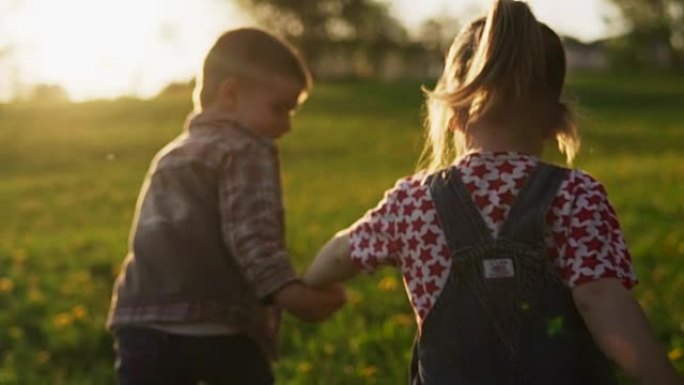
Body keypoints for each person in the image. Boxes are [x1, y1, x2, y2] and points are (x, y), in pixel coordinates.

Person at [302, 1, 683, 384]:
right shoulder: (576, 196)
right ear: (557, 121)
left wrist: (309, 286)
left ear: (453, 113)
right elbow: (599, 297)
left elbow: (340, 252)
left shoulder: (411, 203)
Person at [107, 28, 345, 385]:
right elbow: (251, 238)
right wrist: (293, 295)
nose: (287, 125)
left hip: (140, 328)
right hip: (218, 332)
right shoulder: (245, 148)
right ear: (230, 93)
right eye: (280, 108)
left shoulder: (170, 154)